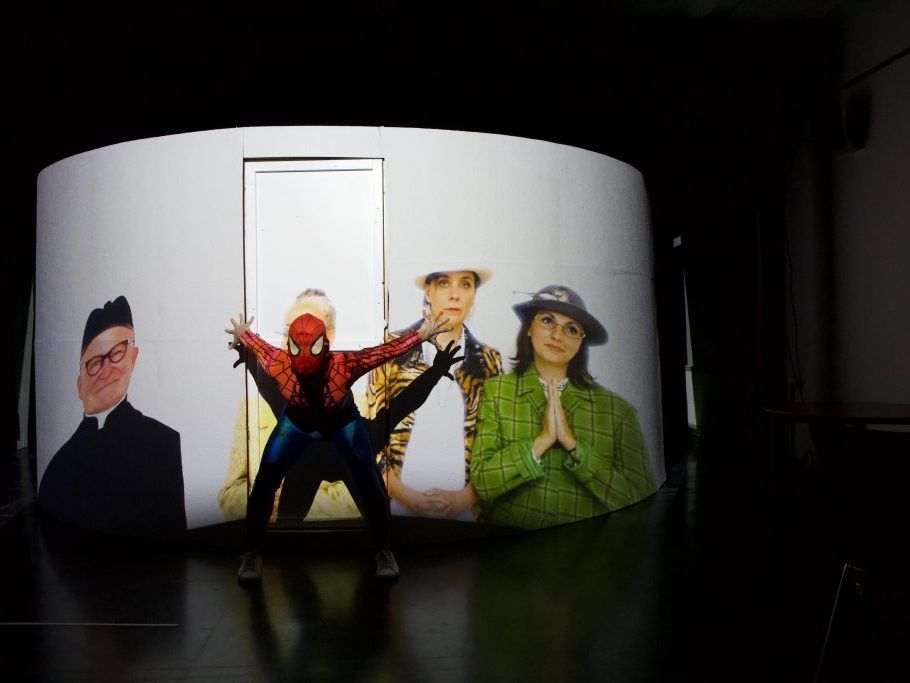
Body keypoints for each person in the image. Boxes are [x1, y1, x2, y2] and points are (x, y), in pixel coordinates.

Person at [226, 304, 450, 583]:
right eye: (298, 352)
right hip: (296, 424)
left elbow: (386, 353)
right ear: (291, 349)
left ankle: (384, 551)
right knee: (264, 482)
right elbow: (255, 346)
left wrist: (421, 336)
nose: (305, 366)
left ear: (326, 346)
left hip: (342, 425)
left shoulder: (343, 365)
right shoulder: (277, 363)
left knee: (370, 483)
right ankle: (253, 553)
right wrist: (244, 339)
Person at [471, 285, 655, 530]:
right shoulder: (497, 392)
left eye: (572, 328)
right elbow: (483, 482)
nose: (558, 335)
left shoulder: (618, 411)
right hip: (512, 544)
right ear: (529, 328)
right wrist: (542, 441)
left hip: (589, 548)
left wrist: (575, 447)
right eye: (547, 320)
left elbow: (640, 499)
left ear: (581, 342)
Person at [38, 295, 186, 535]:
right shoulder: (59, 466)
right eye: (95, 363)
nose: (106, 371)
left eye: (117, 352)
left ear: (133, 357)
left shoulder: (163, 442)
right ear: (79, 385)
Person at [366, 267, 502, 521]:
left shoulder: (488, 361)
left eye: (465, 284)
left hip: (466, 517)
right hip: (398, 512)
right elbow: (369, 438)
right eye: (443, 283)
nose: (454, 295)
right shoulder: (392, 349)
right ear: (428, 291)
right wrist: (411, 499)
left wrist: (466, 499)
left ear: (474, 293)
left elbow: (495, 444)